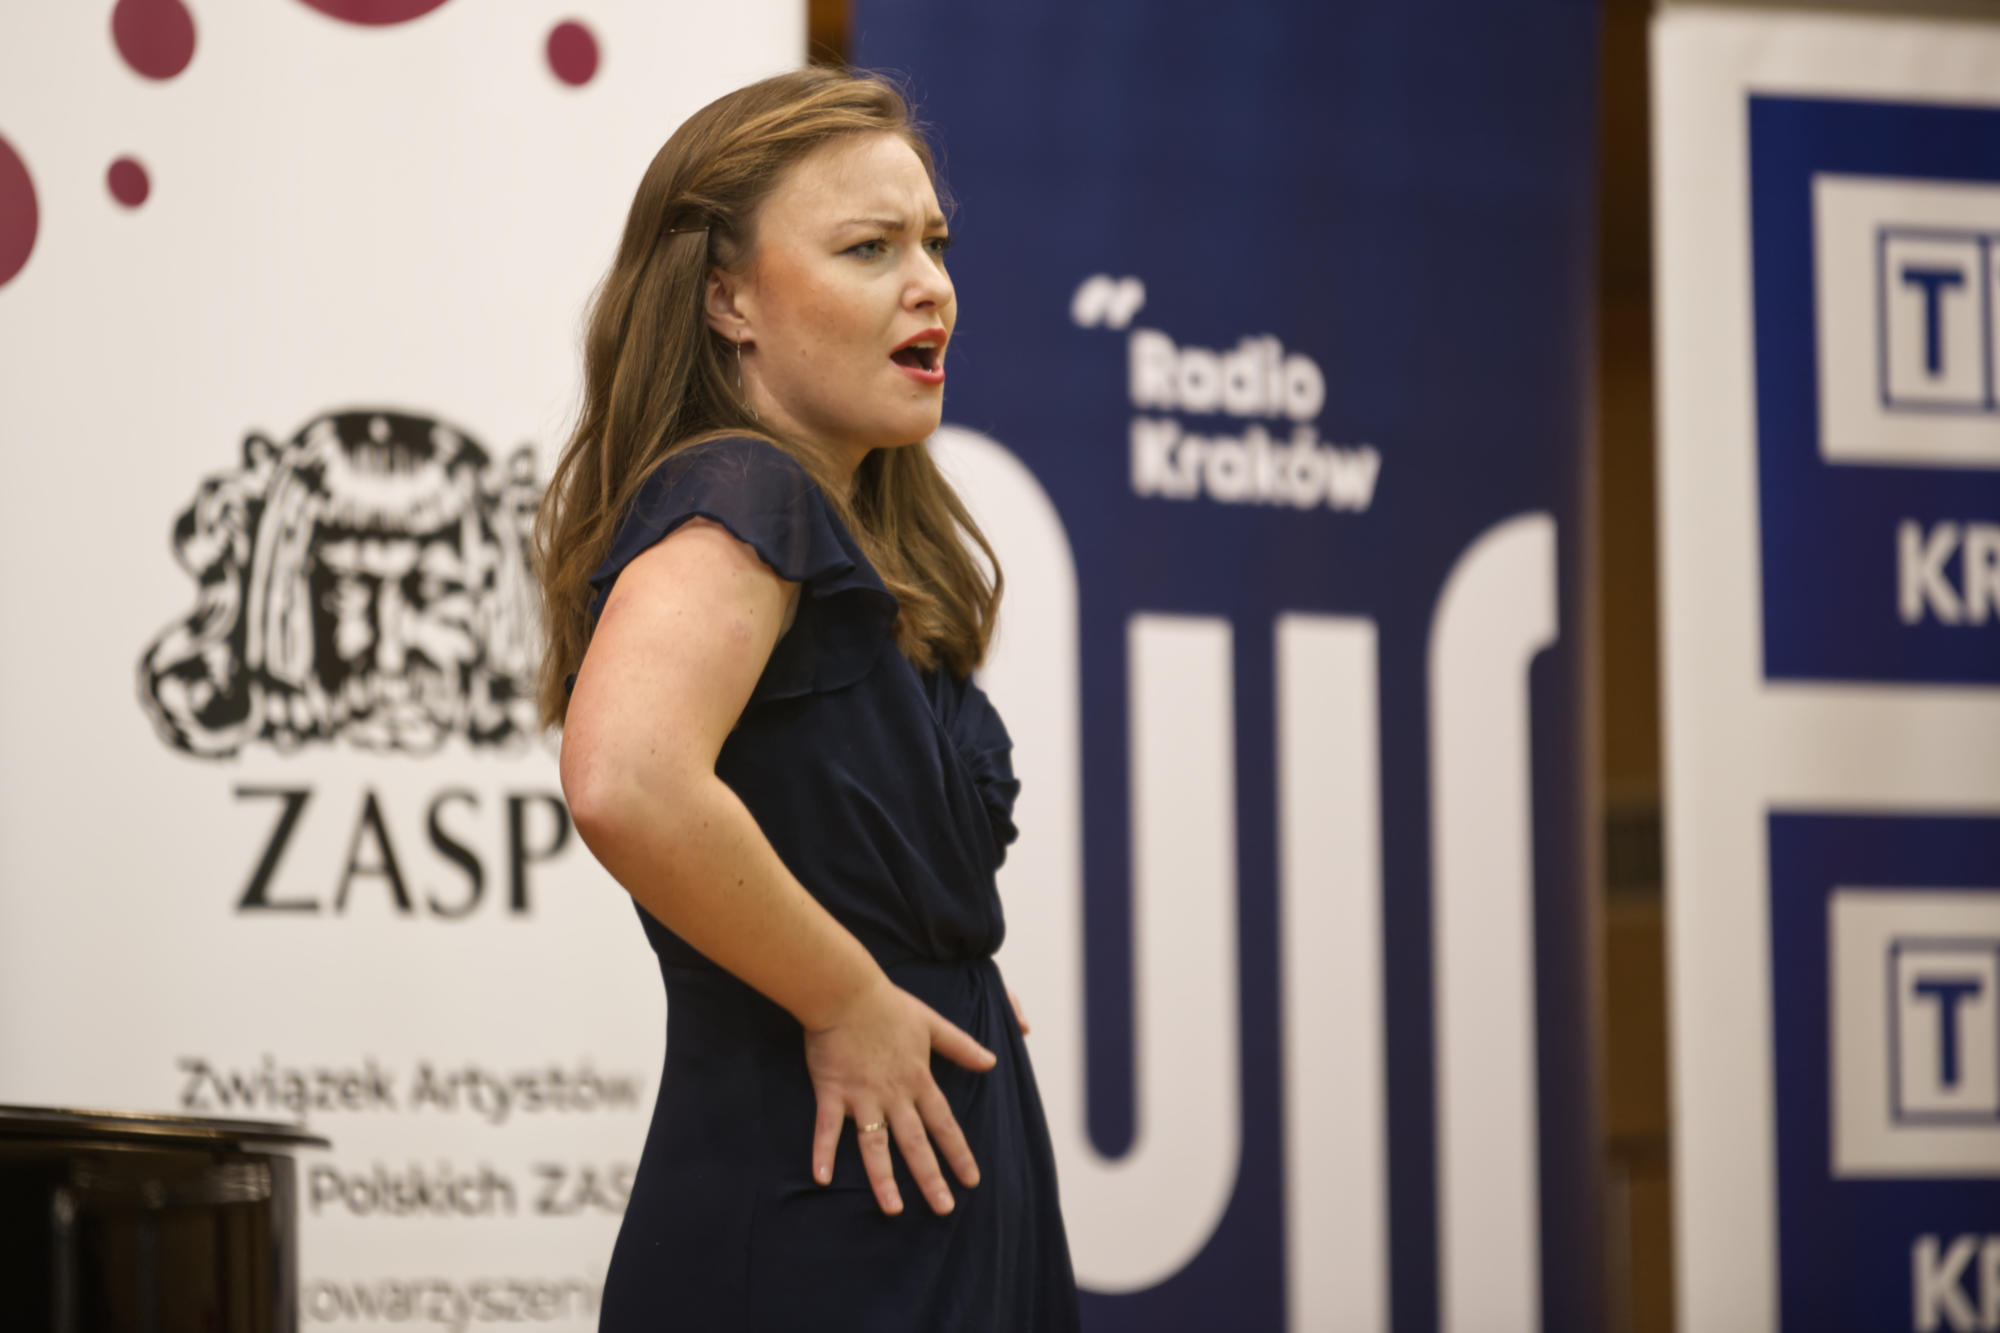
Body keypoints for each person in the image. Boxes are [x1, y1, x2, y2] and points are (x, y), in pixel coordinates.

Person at [532, 66, 1081, 1331]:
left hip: (913, 1187)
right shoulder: (743, 490)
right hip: (817, 1209)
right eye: (868, 247)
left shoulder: (845, 525)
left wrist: (938, 973)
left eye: (933, 244)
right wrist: (847, 994)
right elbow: (626, 780)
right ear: (726, 298)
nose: (929, 284)